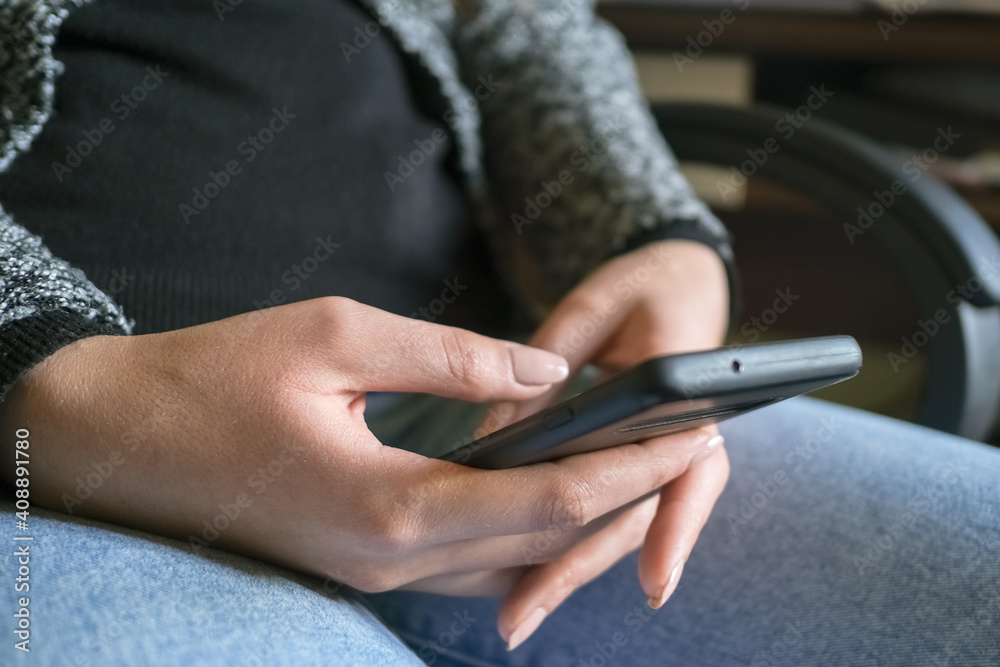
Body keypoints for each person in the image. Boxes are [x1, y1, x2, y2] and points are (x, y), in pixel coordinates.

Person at [0, 1, 997, 665]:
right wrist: (41, 366)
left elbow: (521, 21)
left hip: (485, 423)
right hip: (57, 469)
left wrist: (650, 232)